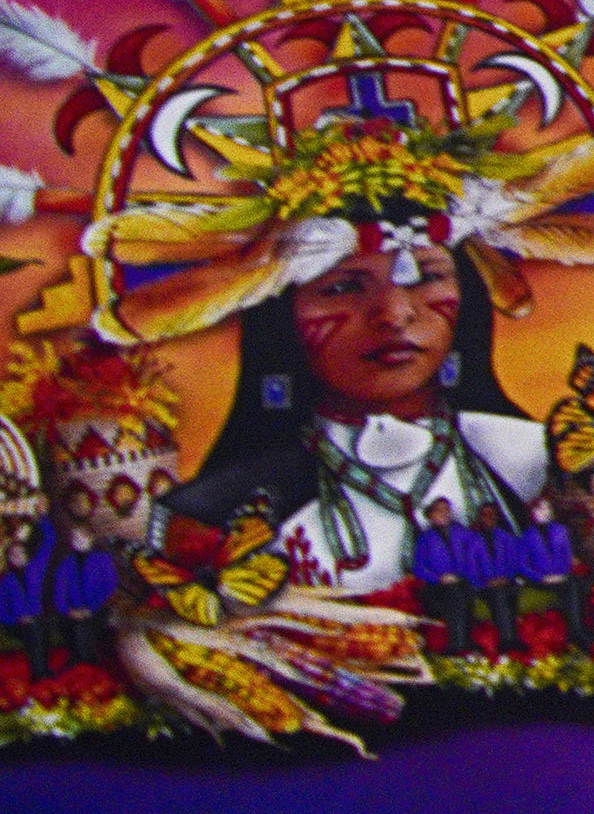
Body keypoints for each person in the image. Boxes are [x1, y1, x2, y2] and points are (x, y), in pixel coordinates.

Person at [161, 230, 552, 595]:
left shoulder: (539, 461)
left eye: (426, 276)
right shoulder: (211, 514)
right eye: (343, 286)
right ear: (281, 316)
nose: (395, 314)